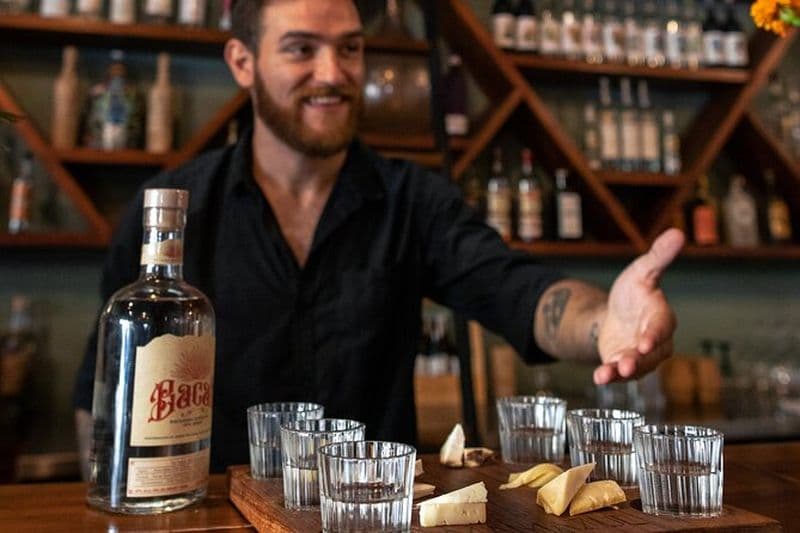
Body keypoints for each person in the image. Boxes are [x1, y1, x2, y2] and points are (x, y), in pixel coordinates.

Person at [73, 0, 684, 475]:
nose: (333, 74)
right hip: (215, 518)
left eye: (350, 49)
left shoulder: (411, 201)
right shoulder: (174, 211)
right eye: (301, 49)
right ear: (242, 62)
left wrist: (606, 323)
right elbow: (101, 399)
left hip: (368, 515)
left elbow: (522, 293)